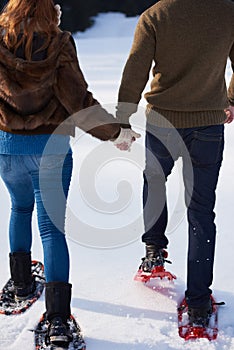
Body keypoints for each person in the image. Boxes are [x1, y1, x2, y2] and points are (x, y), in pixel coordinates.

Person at [0, 0, 139, 345]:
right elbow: (77, 100)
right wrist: (116, 132)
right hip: (50, 149)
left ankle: (20, 284)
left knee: (19, 208)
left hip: (7, 148)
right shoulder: (59, 43)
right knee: (51, 228)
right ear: (50, 9)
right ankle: (58, 322)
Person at [117, 0, 234, 327]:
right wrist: (232, 99)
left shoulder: (155, 16)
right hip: (209, 124)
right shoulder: (226, 11)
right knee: (200, 210)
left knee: (154, 182)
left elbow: (135, 67)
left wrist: (122, 118)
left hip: (162, 123)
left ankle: (153, 253)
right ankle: (198, 305)